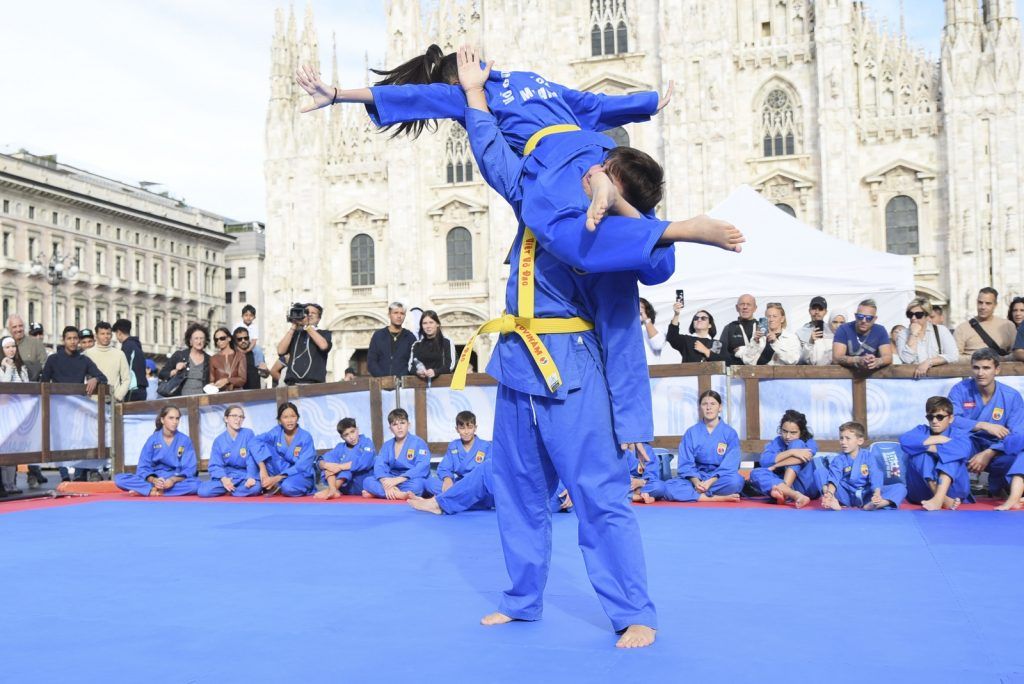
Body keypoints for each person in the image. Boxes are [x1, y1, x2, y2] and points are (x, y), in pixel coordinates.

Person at [948, 348, 1024, 497]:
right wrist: (984, 425)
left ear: (997, 370)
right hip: (968, 442)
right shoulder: (959, 390)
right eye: (976, 367)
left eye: (986, 368)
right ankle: (956, 490)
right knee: (950, 449)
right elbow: (950, 420)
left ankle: (998, 486)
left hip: (997, 447)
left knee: (1015, 459)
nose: (980, 373)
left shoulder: (1011, 396)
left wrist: (990, 452)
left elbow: (1018, 433)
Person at [656, 390, 743, 503]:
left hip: (719, 478)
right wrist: (697, 482)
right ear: (700, 408)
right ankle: (714, 498)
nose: (708, 408)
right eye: (704, 404)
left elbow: (731, 464)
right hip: (696, 478)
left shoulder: (730, 433)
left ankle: (695, 495)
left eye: (713, 404)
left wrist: (710, 481)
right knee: (669, 486)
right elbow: (686, 464)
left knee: (735, 482)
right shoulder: (691, 433)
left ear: (720, 407)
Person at [900, 396, 973, 510]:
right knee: (921, 455)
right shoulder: (921, 430)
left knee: (952, 457)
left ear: (950, 418)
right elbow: (904, 441)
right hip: (921, 492)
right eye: (930, 417)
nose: (934, 421)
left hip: (953, 491)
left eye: (940, 417)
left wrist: (925, 445)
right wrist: (938, 440)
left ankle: (938, 497)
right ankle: (941, 498)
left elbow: (963, 451)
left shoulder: (959, 434)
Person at [113, 406, 199, 496]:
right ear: (162, 420)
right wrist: (154, 480)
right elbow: (143, 467)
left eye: (177, 418)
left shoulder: (185, 440)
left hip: (175, 479)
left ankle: (150, 491)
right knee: (120, 479)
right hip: (156, 478)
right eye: (171, 418)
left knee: (195, 486)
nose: (175, 422)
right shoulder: (153, 439)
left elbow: (190, 469)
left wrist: (172, 480)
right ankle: (156, 490)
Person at [820, 421, 906, 511]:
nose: (843, 442)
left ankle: (878, 503)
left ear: (860, 441)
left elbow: (875, 474)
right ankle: (832, 500)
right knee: (820, 472)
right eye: (841, 438)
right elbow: (834, 477)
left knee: (901, 488)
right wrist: (830, 493)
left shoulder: (868, 456)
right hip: (845, 495)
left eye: (847, 438)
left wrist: (876, 494)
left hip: (866, 495)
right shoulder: (839, 459)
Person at [748, 409, 822, 507]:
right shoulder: (777, 442)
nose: (787, 436)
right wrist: (791, 452)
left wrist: (777, 465)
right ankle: (793, 494)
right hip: (785, 486)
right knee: (756, 472)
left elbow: (803, 457)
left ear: (801, 432)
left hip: (806, 486)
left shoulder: (809, 442)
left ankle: (785, 492)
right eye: (784, 431)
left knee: (796, 443)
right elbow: (764, 461)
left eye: (793, 433)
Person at [362, 408, 431, 499]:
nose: (399, 427)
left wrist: (398, 480)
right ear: (390, 428)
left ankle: (380, 493)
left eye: (402, 423)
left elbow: (422, 466)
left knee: (418, 486)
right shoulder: (387, 445)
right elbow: (379, 465)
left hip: (409, 479)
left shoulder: (418, 442)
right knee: (367, 481)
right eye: (395, 424)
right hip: (390, 478)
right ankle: (399, 495)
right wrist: (385, 481)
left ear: (408, 425)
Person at [197, 405, 263, 497]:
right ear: (226, 419)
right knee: (203, 491)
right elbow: (215, 464)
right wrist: (224, 479)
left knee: (256, 488)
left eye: (241, 417)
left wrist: (251, 477)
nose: (238, 419)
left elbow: (251, 459)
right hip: (228, 476)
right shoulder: (219, 441)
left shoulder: (248, 434)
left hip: (243, 476)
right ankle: (233, 490)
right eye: (234, 416)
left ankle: (230, 491)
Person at [254, 402, 318, 497]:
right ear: (280, 420)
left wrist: (277, 478)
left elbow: (302, 466)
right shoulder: (276, 431)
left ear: (297, 418)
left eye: (293, 416)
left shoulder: (306, 437)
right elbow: (254, 441)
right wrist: (262, 468)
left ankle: (280, 484)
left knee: (288, 487)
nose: (290, 420)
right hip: (281, 470)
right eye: (285, 417)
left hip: (301, 473)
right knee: (262, 446)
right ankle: (273, 483)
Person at [425, 410, 491, 497]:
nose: (466, 432)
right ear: (457, 429)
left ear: (475, 428)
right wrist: (447, 479)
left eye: (470, 427)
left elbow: (489, 471)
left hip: (478, 486)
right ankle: (462, 499)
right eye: (462, 428)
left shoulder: (486, 446)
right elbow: (444, 468)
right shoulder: (453, 445)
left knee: (488, 494)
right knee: (429, 483)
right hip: (459, 484)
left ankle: (453, 498)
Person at [894, 297, 958, 378]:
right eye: (910, 314)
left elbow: (953, 355)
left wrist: (929, 362)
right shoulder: (903, 334)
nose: (913, 318)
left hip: (938, 379)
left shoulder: (941, 330)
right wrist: (913, 335)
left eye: (918, 315)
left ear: (927, 316)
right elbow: (907, 360)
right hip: (912, 381)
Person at [315, 417, 377, 499]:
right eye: (346, 435)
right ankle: (332, 488)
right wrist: (326, 465)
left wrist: (340, 467)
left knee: (348, 463)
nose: (351, 437)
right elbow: (321, 460)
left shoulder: (367, 442)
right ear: (342, 437)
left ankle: (331, 490)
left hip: (363, 484)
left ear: (357, 429)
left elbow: (365, 462)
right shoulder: (340, 447)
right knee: (329, 462)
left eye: (352, 432)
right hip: (347, 489)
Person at [0, 336, 30, 496]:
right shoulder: (2, 366)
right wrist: (9, 368)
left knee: (13, 451)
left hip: (18, 411)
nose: (11, 350)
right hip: (4, 412)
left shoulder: (22, 366)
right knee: (4, 450)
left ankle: (11, 483)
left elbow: (25, 385)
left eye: (13, 347)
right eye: (7, 347)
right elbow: (4, 386)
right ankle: (5, 484)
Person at [953, 287, 1017, 361]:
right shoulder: (962, 328)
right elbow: (955, 356)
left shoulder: (1008, 326)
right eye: (980, 302)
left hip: (1001, 369)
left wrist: (997, 359)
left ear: (995, 305)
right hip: (970, 370)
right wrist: (979, 359)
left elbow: (1015, 353)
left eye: (988, 303)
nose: (983, 307)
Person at [277, 303, 332, 385]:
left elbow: (323, 346)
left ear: (318, 319)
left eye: (313, 313)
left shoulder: (324, 333)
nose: (309, 315)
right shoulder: (295, 334)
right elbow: (280, 351)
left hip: (314, 385)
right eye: (306, 312)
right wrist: (294, 326)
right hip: (292, 384)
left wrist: (307, 326)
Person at [41, 326, 107, 393]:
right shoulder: (53, 359)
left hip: (78, 399)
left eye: (75, 338)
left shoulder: (84, 360)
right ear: (63, 340)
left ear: (78, 340)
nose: (72, 342)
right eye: (69, 338)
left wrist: (96, 379)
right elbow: (43, 382)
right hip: (58, 400)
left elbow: (103, 378)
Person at [832, 299, 892, 371]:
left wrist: (878, 361)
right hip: (845, 375)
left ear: (875, 319)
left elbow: (888, 357)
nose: (864, 321)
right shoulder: (844, 329)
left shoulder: (880, 330)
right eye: (860, 316)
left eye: (869, 318)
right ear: (855, 316)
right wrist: (857, 360)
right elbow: (837, 358)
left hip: (872, 375)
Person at [84, 321, 131, 402]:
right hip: (92, 402)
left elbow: (127, 379)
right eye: (102, 334)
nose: (106, 336)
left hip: (113, 402)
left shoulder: (119, 354)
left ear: (111, 335)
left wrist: (118, 396)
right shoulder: (87, 354)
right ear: (96, 336)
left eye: (108, 333)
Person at [159, 323, 211, 396]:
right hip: (180, 400)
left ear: (205, 341)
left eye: (202, 338)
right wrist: (175, 371)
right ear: (190, 342)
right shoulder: (179, 355)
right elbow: (162, 374)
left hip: (202, 401)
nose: (199, 342)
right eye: (196, 338)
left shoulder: (209, 359)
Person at [367, 302, 417, 377]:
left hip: (404, 384)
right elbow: (371, 361)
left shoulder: (410, 337)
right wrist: (383, 378)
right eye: (395, 313)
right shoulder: (378, 335)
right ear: (389, 315)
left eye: (402, 313)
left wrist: (400, 377)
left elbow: (413, 361)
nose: (399, 316)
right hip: (381, 383)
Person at [409, 309, 456, 380]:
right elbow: (410, 367)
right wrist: (417, 372)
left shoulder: (447, 342)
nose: (428, 326)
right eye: (425, 323)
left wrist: (435, 372)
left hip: (442, 385)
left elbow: (450, 365)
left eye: (431, 322)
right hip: (421, 386)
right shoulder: (416, 345)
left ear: (437, 324)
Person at [112, 319, 148, 402]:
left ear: (119, 332)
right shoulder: (136, 345)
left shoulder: (127, 346)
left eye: (116, 334)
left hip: (132, 389)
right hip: (141, 388)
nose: (117, 338)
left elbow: (125, 369)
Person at [718, 294, 758, 366]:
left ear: (755, 308)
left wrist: (743, 351)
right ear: (737, 308)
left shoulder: (762, 328)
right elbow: (721, 353)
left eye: (748, 304)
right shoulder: (729, 328)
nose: (745, 307)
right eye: (742, 304)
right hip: (736, 373)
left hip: (762, 372)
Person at [6, 314, 47, 380]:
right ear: (9, 329)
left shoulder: (36, 343)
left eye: (20, 326)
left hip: (32, 386)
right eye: (14, 327)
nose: (18, 329)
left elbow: (45, 365)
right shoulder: (4, 345)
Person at [209, 326, 247, 392]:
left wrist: (227, 380)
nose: (219, 341)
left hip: (236, 396)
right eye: (216, 339)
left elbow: (242, 380)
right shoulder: (213, 359)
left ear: (229, 338)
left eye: (222, 338)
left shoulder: (240, 356)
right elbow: (211, 380)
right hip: (219, 396)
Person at [795, 296, 829, 365]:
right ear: (809, 311)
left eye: (820, 309)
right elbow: (798, 360)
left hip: (828, 372)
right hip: (807, 372)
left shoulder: (831, 331)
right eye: (814, 309)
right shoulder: (800, 333)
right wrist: (810, 342)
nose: (817, 312)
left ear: (825, 312)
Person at [233, 326, 265, 390]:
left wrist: (266, 371)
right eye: (240, 339)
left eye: (246, 338)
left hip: (254, 392)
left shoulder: (256, 351)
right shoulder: (232, 354)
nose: (243, 341)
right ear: (235, 341)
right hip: (238, 394)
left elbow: (264, 375)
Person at [638, 298, 666, 363]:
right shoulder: (624, 330)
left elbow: (657, 344)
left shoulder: (657, 327)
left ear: (647, 311)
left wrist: (645, 319)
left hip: (651, 370)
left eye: (641, 307)